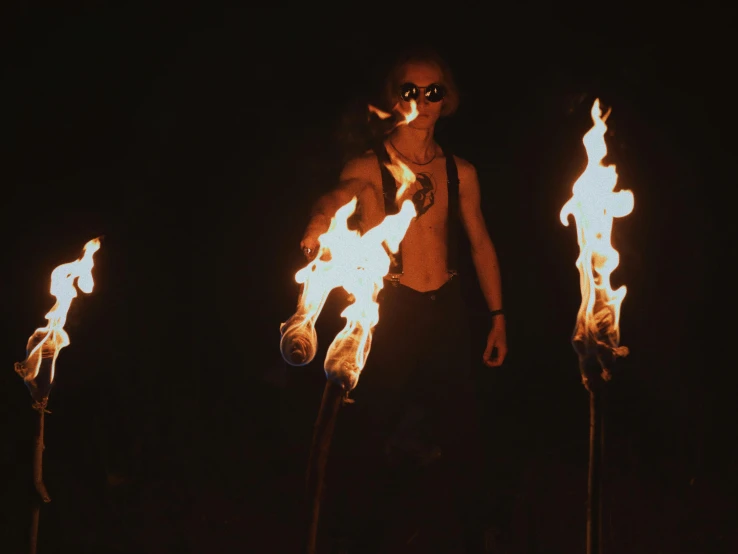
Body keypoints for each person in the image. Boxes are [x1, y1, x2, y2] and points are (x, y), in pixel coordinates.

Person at [299, 45, 507, 553]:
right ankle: (350, 531)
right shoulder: (369, 165)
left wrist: (498, 316)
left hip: (445, 309)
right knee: (366, 423)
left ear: (446, 99)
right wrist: (317, 222)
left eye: (432, 91)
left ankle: (477, 528)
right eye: (409, 91)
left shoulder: (460, 171)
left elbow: (479, 241)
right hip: (390, 313)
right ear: (395, 98)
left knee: (462, 426)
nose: (422, 101)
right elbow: (339, 195)